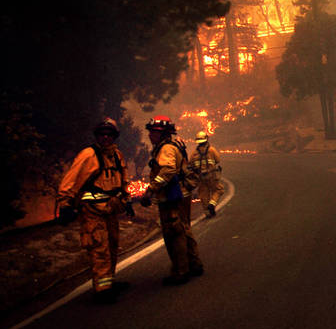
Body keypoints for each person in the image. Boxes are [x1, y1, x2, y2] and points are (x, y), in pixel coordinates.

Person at [57, 118, 135, 304]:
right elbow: (71, 179)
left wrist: (127, 200)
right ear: (97, 136)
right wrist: (65, 204)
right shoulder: (88, 155)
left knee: (112, 245)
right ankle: (102, 290)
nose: (106, 137)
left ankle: (108, 282)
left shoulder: (116, 154)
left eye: (109, 134)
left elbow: (123, 179)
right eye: (102, 134)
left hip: (111, 209)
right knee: (100, 247)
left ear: (114, 137)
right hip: (92, 211)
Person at [139, 115, 203, 285]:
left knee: (174, 233)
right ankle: (194, 264)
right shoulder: (171, 145)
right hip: (181, 194)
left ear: (164, 134)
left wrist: (151, 189)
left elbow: (167, 170)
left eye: (154, 132)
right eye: (150, 131)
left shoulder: (166, 148)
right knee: (183, 228)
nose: (151, 135)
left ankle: (180, 271)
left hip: (173, 196)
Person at [189, 131, 224, 217]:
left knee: (204, 194)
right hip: (212, 176)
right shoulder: (212, 150)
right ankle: (212, 204)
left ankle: (207, 212)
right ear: (206, 139)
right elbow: (218, 160)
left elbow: (191, 165)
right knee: (218, 190)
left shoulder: (194, 154)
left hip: (200, 178)